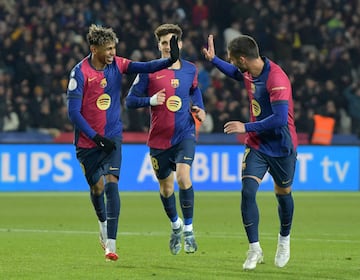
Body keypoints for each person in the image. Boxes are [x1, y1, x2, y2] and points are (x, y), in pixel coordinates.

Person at [66, 24, 179, 261]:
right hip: (88, 143)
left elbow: (145, 66)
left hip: (113, 136)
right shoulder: (79, 73)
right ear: (93, 48)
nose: (112, 53)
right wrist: (95, 137)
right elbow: (74, 113)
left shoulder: (117, 64)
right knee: (96, 187)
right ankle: (102, 223)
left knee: (111, 184)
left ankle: (111, 244)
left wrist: (169, 61)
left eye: (114, 48)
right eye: (107, 49)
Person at [203, 34, 297, 270]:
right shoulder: (248, 71)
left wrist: (245, 126)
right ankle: (254, 248)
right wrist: (214, 60)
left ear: (243, 59)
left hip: (281, 145)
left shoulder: (276, 78)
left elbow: (278, 120)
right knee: (247, 191)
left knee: (283, 192)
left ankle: (284, 240)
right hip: (256, 144)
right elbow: (235, 73)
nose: (233, 64)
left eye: (233, 59)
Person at [125, 23, 206, 255]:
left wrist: (200, 107)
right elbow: (130, 101)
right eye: (163, 43)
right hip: (159, 139)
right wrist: (150, 101)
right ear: (158, 45)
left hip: (185, 133)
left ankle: (189, 229)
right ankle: (176, 225)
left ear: (179, 44)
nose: (167, 47)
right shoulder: (148, 70)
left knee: (183, 177)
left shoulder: (190, 69)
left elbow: (194, 90)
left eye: (171, 42)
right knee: (166, 187)